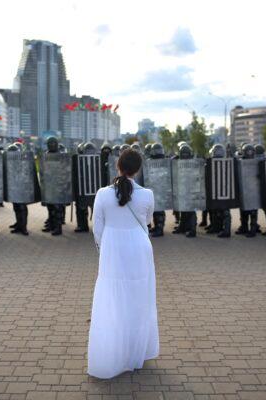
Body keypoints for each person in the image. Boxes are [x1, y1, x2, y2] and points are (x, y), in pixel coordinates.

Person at [88, 149, 159, 379]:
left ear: (117, 166)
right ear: (138, 169)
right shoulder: (147, 194)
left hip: (112, 250)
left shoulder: (102, 193)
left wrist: (104, 248)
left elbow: (97, 227)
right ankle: (135, 353)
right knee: (139, 300)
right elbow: (148, 221)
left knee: (113, 300)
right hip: (139, 249)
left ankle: (115, 352)